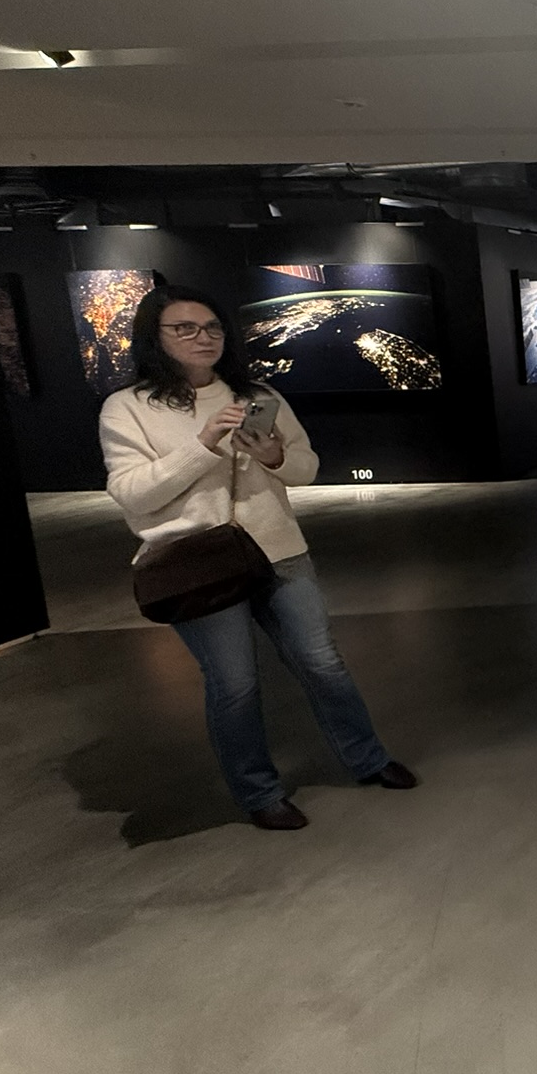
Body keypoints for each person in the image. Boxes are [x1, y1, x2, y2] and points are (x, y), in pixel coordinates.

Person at [99, 285, 417, 831]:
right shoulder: (128, 408)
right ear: (155, 338)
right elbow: (133, 494)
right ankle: (258, 792)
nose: (203, 338)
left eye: (212, 327)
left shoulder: (257, 394)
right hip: (199, 561)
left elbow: (305, 467)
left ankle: (367, 759)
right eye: (185, 328)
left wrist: (272, 456)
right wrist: (202, 444)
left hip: (279, 551)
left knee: (323, 663)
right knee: (235, 682)